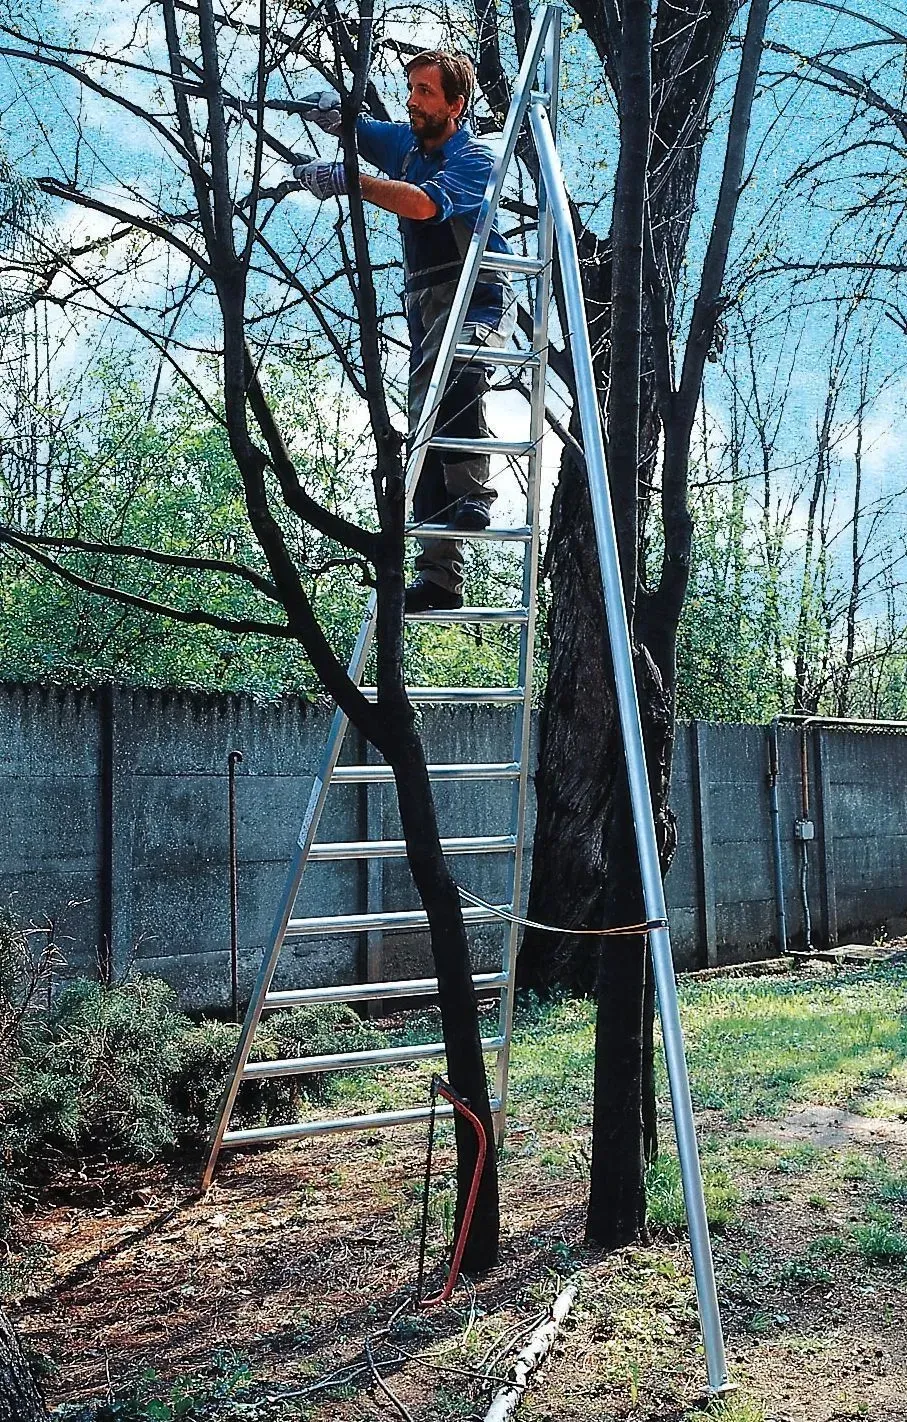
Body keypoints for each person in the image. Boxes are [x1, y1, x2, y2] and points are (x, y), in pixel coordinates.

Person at [293, 52, 516, 612]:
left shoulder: (474, 157)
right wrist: (336, 119)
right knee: (423, 429)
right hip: (425, 299)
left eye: (425, 93)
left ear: (456, 106)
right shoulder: (408, 145)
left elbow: (422, 206)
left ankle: (476, 497)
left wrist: (353, 182)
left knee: (457, 372)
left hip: (477, 291)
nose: (413, 100)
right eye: (411, 89)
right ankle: (441, 579)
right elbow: (366, 134)